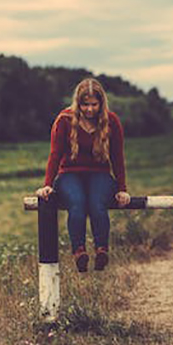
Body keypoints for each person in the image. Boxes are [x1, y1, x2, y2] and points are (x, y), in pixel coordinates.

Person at [36, 78, 130, 272]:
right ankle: (79, 252)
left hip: (100, 173)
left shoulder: (111, 121)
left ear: (101, 103)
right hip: (70, 173)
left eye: (94, 105)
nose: (89, 109)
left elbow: (117, 157)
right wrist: (47, 184)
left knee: (97, 203)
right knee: (77, 202)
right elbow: (55, 154)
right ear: (78, 104)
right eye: (85, 105)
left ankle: (101, 250)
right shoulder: (64, 120)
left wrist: (122, 189)